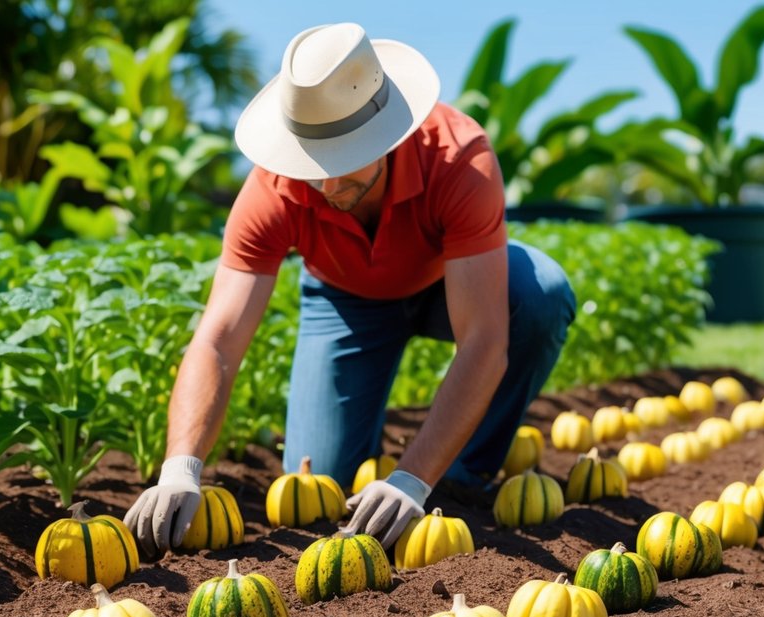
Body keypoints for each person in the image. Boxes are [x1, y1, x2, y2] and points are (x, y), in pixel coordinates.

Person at [124, 22, 575, 559]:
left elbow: (483, 340)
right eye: (314, 167)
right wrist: (180, 467)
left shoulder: (459, 159)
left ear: (388, 135)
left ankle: (461, 475)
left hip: (447, 283)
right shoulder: (274, 188)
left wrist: (413, 478)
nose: (329, 186)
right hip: (345, 299)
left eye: (343, 161)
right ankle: (389, 459)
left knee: (541, 294)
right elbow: (218, 339)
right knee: (321, 479)